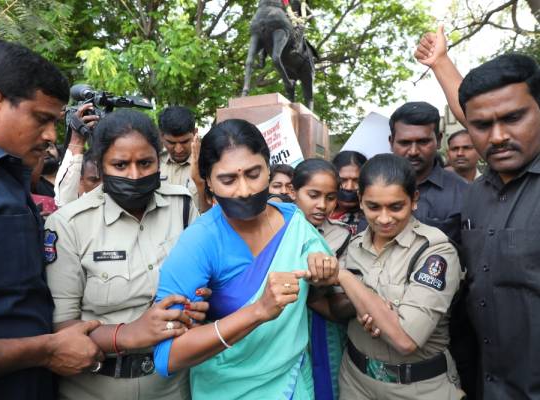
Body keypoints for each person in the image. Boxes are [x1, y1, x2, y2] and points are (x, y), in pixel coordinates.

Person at [0, 39, 104, 400]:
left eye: (55, 122)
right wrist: (46, 349)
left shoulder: (3, 174)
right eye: (42, 119)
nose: (50, 137)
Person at [153, 118, 339, 400]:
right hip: (227, 390)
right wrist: (257, 312)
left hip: (293, 385)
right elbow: (167, 357)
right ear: (209, 183)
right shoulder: (199, 242)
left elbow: (321, 279)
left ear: (268, 167)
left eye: (254, 174)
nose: (245, 190)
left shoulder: (294, 222)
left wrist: (322, 269)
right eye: (228, 180)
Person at [45, 109, 209, 400]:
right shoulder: (69, 225)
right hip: (94, 387)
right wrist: (130, 333)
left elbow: (204, 280)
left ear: (159, 160)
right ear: (101, 165)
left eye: (145, 163)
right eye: (120, 165)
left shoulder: (182, 207)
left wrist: (199, 304)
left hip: (171, 385)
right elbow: (64, 328)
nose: (134, 175)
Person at [419, 36, 540, 397]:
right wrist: (440, 63)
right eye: (482, 126)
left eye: (514, 118)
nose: (499, 136)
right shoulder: (474, 196)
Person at [329, 154, 464, 399]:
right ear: (360, 201)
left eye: (395, 206)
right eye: (373, 206)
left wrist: (345, 277)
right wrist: (368, 308)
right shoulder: (355, 245)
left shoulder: (435, 251)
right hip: (355, 381)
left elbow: (405, 340)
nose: (384, 218)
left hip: (417, 387)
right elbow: (337, 308)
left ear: (413, 200)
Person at [292, 158, 351, 400]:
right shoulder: (275, 229)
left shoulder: (342, 235)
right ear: (293, 192)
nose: (322, 205)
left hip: (324, 325)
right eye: (313, 195)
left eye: (330, 197)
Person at [389, 101, 468, 243]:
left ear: (438, 140)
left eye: (423, 142)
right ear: (391, 142)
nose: (413, 151)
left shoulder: (463, 192)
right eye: (404, 143)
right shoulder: (372, 189)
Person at [158, 106, 209, 212]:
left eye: (185, 141)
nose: (178, 149)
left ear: (195, 133)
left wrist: (200, 182)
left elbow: (210, 212)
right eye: (171, 143)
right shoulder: (152, 162)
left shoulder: (208, 162)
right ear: (161, 136)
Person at [54, 103, 100, 207]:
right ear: (80, 181)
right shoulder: (76, 212)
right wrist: (77, 139)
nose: (101, 186)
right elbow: (64, 201)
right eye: (94, 180)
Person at [330, 151, 367, 234]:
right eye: (343, 180)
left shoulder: (368, 220)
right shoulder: (319, 210)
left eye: (356, 180)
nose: (349, 187)